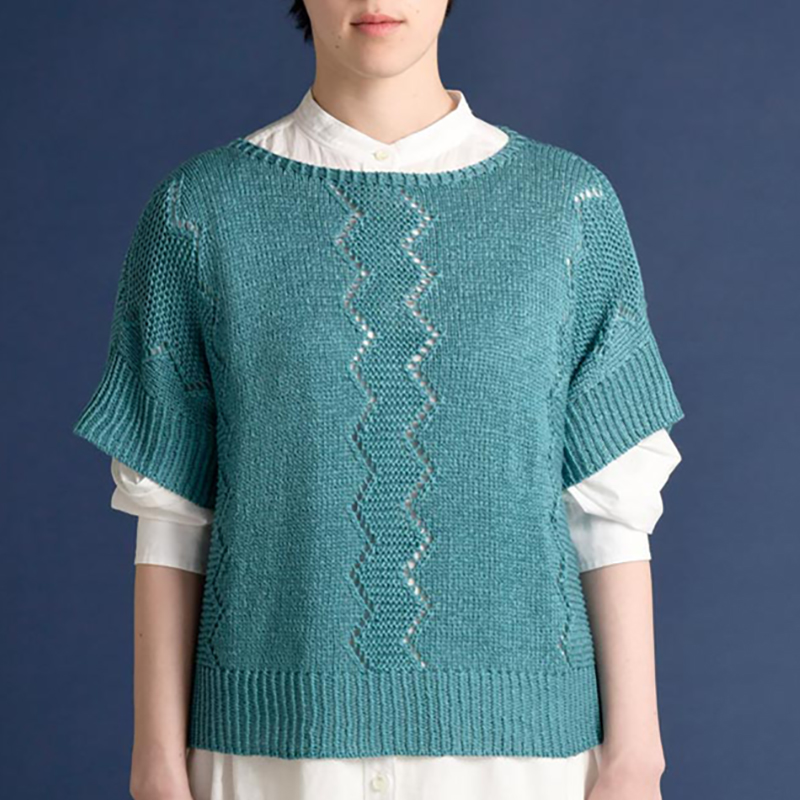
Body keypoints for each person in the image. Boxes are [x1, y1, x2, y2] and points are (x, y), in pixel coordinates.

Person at [72, 2, 685, 799]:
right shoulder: (199, 212)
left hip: (523, 759)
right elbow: (172, 513)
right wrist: (155, 763)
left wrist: (636, 758)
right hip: (272, 751)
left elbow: (610, 508)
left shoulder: (568, 208)